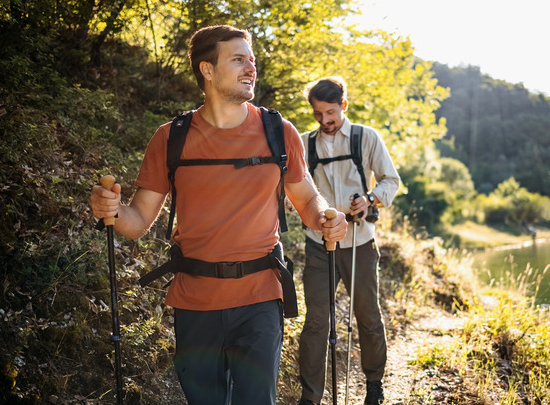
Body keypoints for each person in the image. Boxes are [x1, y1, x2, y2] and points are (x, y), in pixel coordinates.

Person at [89, 25, 347, 405]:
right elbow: (138, 221)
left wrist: (328, 215)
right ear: (207, 70)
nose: (250, 68)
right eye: (238, 59)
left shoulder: (278, 132)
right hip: (196, 302)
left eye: (252, 60)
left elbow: (308, 200)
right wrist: (111, 211)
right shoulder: (171, 137)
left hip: (260, 298)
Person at [297, 76, 400, 405]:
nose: (325, 121)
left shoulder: (365, 138)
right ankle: (310, 397)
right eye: (317, 115)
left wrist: (370, 199)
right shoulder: (303, 143)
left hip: (359, 242)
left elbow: (391, 181)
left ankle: (374, 384)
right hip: (318, 244)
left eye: (330, 113)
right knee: (315, 322)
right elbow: (289, 193)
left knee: (367, 315)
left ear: (343, 105)